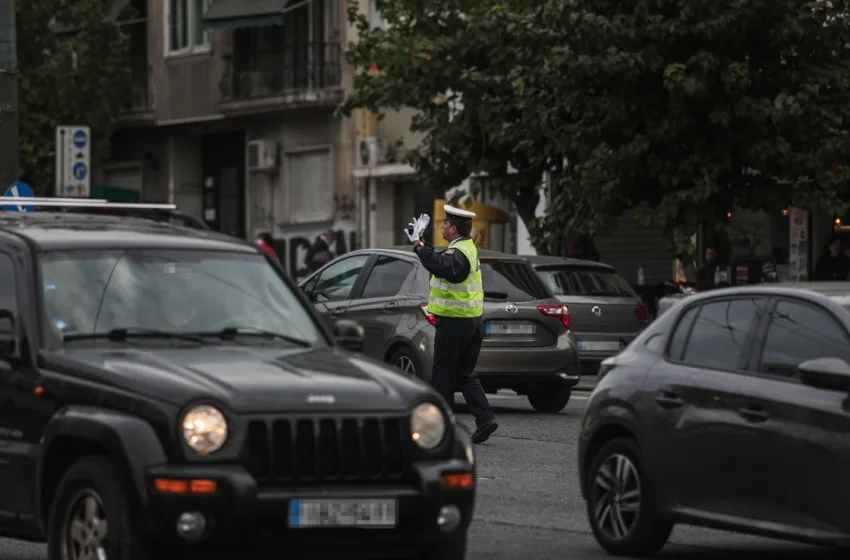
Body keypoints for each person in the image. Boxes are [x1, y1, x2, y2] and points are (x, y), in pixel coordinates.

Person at [405, 206, 498, 444]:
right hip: (471, 322)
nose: (442, 226)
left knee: (443, 377)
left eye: (445, 223)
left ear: (454, 228)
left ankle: (442, 429)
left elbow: (444, 267)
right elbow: (441, 261)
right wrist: (423, 245)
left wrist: (418, 245)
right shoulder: (465, 248)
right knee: (464, 374)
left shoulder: (459, 254)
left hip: (455, 323)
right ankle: (485, 418)